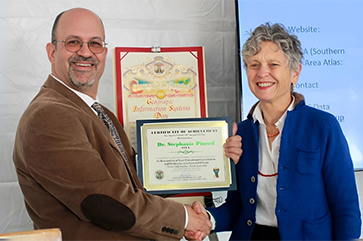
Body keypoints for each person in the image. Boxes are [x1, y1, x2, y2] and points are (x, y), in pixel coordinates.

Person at [12, 8, 242, 241]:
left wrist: (214, 152)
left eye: (95, 43)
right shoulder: (50, 115)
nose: (85, 52)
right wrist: (183, 218)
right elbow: (103, 202)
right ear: (52, 52)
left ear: (104, 52)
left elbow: (143, 180)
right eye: (73, 42)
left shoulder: (100, 114)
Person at [186, 22, 362, 241]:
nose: (262, 73)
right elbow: (235, 208)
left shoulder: (323, 126)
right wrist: (207, 220)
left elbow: (346, 209)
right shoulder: (238, 134)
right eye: (254, 64)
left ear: (295, 73)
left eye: (273, 64)